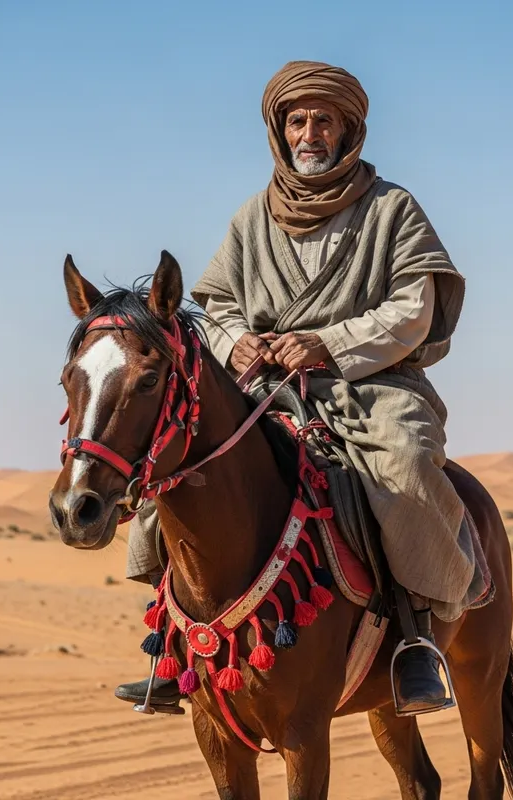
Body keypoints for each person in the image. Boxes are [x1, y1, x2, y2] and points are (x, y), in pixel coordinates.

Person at [117, 60, 484, 716]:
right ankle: (176, 643)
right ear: (279, 132)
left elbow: (415, 309)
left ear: (348, 132)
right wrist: (238, 345)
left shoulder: (392, 209)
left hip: (370, 385)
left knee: (403, 465)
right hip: (263, 389)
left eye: (323, 120)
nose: (309, 133)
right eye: (297, 120)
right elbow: (219, 309)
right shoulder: (251, 218)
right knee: (174, 466)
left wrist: (328, 343)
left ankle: (417, 635)